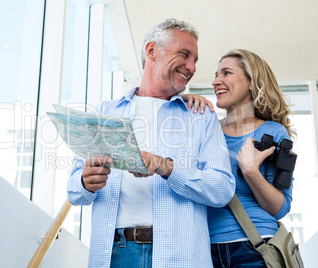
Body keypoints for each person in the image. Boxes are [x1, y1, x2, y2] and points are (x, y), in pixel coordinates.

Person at [67, 18, 235, 268]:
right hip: (113, 256)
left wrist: (167, 167)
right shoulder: (105, 112)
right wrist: (85, 181)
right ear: (152, 51)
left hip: (180, 257)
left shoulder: (200, 116)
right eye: (185, 55)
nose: (192, 67)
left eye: (195, 60)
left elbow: (222, 189)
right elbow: (74, 192)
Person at [205, 49, 296, 267]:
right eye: (216, 75)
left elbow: (280, 208)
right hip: (205, 249)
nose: (216, 81)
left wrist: (251, 172)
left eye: (226, 73)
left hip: (255, 247)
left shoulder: (274, 133)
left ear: (251, 81)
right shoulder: (207, 132)